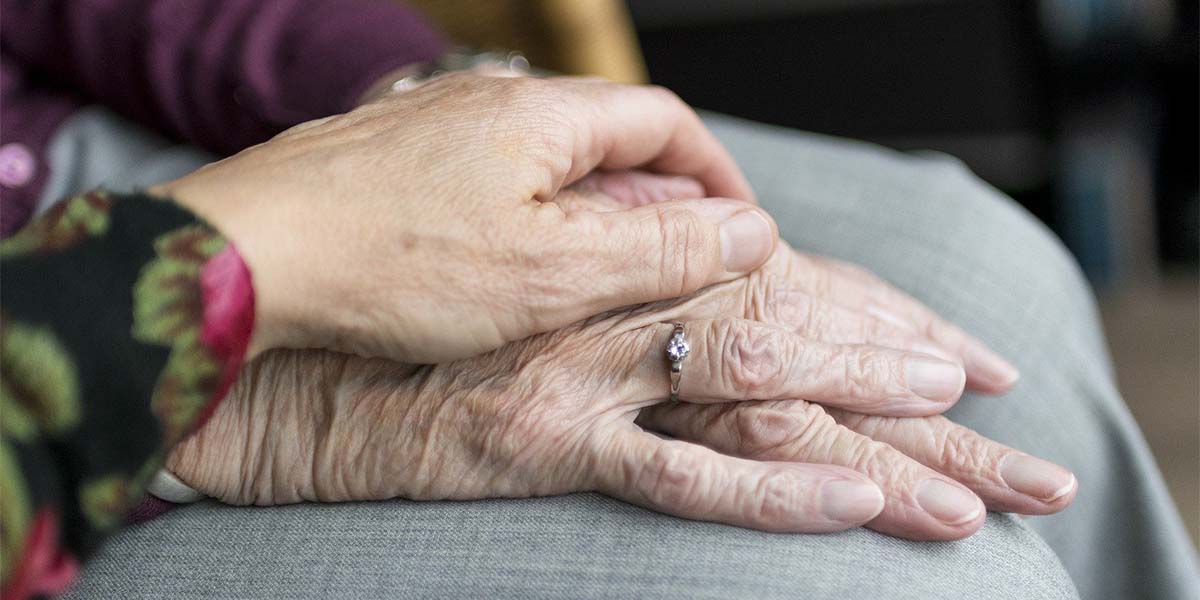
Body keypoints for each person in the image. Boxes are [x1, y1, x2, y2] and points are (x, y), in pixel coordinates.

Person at [1, 2, 1194, 600]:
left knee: (987, 272)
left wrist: (422, 110)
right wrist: (243, 400)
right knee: (905, 576)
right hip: (47, 420)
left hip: (103, 148)